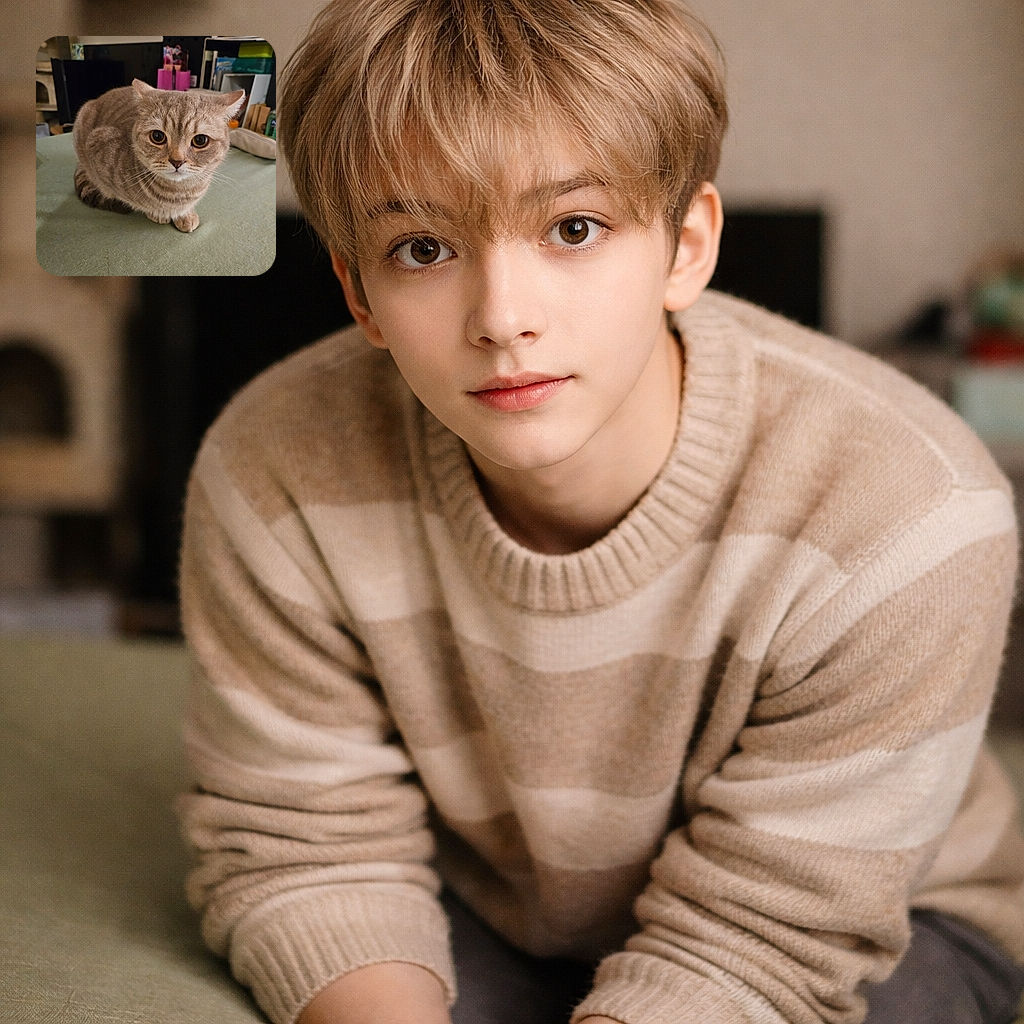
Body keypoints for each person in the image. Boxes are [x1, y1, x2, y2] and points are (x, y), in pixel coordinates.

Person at [175, 1, 1024, 1022]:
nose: (503, 319)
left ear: (686, 246)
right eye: (423, 248)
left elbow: (768, 942)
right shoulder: (272, 469)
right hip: (495, 909)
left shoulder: (908, 510)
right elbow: (311, 852)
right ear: (359, 295)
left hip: (886, 922)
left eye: (572, 229)